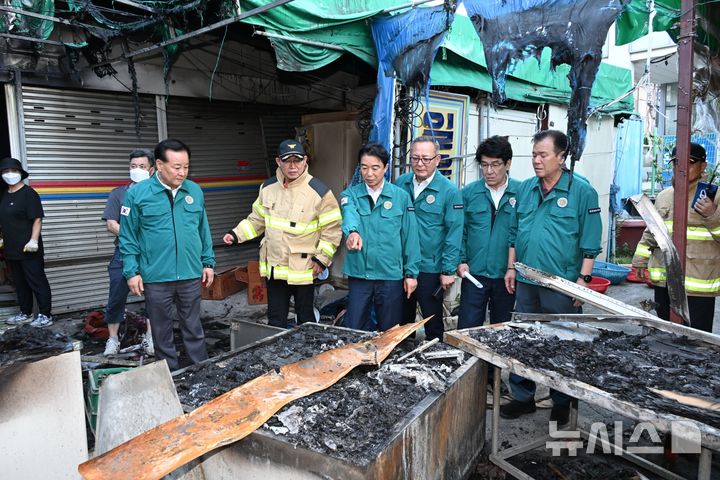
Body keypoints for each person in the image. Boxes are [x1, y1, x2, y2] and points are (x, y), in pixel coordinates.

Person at [502, 130, 602, 425]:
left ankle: (562, 401)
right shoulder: (526, 188)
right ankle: (523, 397)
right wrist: (511, 267)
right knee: (523, 339)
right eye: (534, 154)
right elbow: (514, 232)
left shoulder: (582, 192)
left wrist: (583, 282)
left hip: (561, 284)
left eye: (543, 155)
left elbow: (590, 240)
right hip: (526, 279)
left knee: (563, 342)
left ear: (561, 157)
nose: (536, 160)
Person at [223, 139, 342, 328]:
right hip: (275, 268)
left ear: (306, 161)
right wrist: (236, 234)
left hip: (303, 269)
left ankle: (306, 353)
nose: (293, 166)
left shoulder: (319, 192)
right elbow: (257, 220)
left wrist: (322, 259)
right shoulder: (267, 188)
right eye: (288, 161)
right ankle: (277, 355)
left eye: (298, 160)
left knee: (305, 319)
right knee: (275, 318)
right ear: (279, 162)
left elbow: (332, 230)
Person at [119, 139, 215, 371]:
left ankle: (200, 369)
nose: (182, 172)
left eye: (186, 167)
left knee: (193, 325)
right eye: (176, 167)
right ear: (159, 165)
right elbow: (128, 236)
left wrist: (208, 262)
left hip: (190, 272)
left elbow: (203, 229)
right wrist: (132, 272)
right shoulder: (138, 194)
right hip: (156, 275)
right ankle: (169, 372)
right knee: (161, 329)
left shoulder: (194, 190)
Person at [632, 142, 719, 333]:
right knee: (664, 334)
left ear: (703, 166)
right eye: (676, 163)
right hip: (665, 280)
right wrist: (639, 259)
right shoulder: (664, 196)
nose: (681, 168)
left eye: (690, 162)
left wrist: (712, 215)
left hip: (698, 285)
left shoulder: (716, 197)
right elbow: (651, 230)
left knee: (697, 338)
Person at [340, 143, 420, 331]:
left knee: (390, 330)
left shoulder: (400, 197)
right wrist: (352, 232)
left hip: (390, 275)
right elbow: (349, 213)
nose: (369, 174)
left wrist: (411, 274)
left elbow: (410, 237)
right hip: (360, 274)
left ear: (385, 168)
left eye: (375, 168)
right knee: (355, 328)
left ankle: (387, 360)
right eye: (364, 168)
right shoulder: (350, 194)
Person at [395, 136, 463, 340]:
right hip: (401, 265)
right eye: (415, 158)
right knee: (402, 322)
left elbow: (454, 232)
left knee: (432, 323)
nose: (420, 163)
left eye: (425, 158)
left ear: (437, 159)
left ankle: (434, 362)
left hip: (430, 268)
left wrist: (448, 270)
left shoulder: (449, 191)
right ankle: (401, 363)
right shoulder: (401, 184)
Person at [457, 136, 519, 329]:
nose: (489, 171)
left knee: (501, 330)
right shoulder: (469, 193)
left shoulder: (522, 192)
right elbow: (460, 230)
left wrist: (514, 268)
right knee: (467, 328)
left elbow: (521, 233)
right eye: (484, 165)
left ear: (507, 163)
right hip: (474, 274)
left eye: (495, 164)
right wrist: (461, 260)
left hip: (506, 275)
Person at [101, 149, 155, 356]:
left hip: (151, 256)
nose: (137, 170)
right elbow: (111, 224)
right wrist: (133, 236)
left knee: (154, 296)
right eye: (133, 166)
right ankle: (112, 340)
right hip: (123, 253)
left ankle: (150, 338)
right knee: (116, 294)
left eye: (142, 167)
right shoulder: (118, 194)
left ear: (151, 169)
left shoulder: (158, 194)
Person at [0, 157, 53, 327]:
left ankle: (45, 315)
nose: (10, 174)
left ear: (20, 174)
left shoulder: (29, 193)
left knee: (37, 281)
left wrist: (33, 240)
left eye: (13, 171)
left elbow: (37, 219)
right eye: (6, 171)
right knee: (20, 283)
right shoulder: (5, 195)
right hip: (12, 248)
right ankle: (25, 313)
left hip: (29, 248)